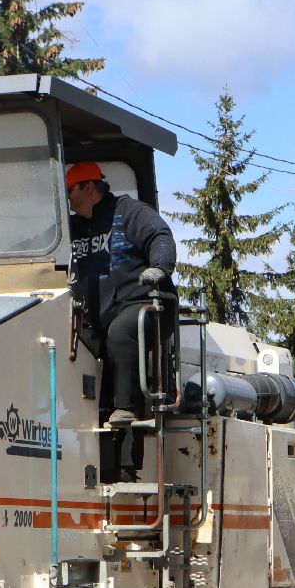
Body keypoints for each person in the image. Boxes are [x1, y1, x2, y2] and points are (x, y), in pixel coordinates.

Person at [65, 161, 177, 430]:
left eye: (70, 191)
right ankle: (96, 415)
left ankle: (126, 406)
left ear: (88, 187)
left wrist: (159, 267)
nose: (67, 198)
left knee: (122, 331)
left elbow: (160, 236)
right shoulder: (72, 227)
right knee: (79, 341)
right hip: (97, 314)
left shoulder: (128, 211)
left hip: (144, 303)